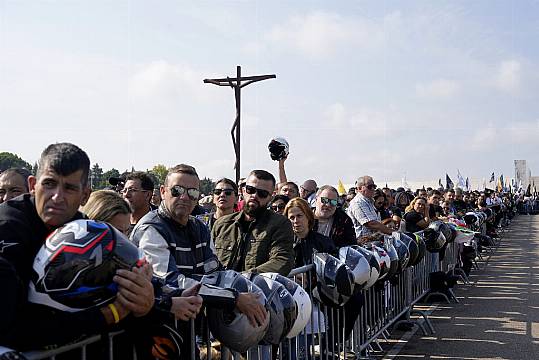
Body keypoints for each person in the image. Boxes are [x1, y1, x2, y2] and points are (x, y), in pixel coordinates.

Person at [0, 143, 154, 350]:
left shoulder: (88, 229)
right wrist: (109, 314)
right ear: (32, 185)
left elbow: (135, 287)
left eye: (69, 188)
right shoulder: (7, 228)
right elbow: (12, 329)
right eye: (49, 184)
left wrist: (145, 299)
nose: (57, 197)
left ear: (85, 195)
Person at [130, 164, 265, 327]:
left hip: (190, 325)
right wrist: (234, 298)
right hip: (156, 328)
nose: (185, 197)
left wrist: (251, 284)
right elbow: (170, 282)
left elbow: (214, 272)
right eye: (177, 190)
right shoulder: (151, 228)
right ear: (163, 192)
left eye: (192, 192)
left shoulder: (199, 227)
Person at [213, 169, 294, 276]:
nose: (254, 196)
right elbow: (207, 259)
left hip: (257, 289)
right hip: (220, 289)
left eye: (262, 193)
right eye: (250, 189)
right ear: (242, 191)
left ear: (270, 198)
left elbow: (282, 260)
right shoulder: (222, 224)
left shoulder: (280, 224)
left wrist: (242, 277)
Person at [346, 176, 393, 243]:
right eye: (370, 187)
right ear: (359, 188)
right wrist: (393, 232)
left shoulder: (369, 202)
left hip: (372, 241)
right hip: (362, 244)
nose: (373, 189)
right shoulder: (358, 202)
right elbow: (371, 224)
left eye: (374, 186)